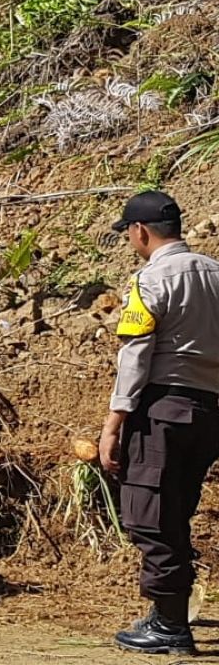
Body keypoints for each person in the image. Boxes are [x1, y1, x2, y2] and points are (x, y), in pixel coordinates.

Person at [97, 191, 219, 655]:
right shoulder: (214, 272)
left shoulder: (151, 279)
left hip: (163, 409)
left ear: (140, 232)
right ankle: (168, 611)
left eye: (129, 233)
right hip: (207, 411)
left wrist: (114, 421)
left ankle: (170, 627)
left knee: (150, 516)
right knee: (176, 512)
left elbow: (135, 355)